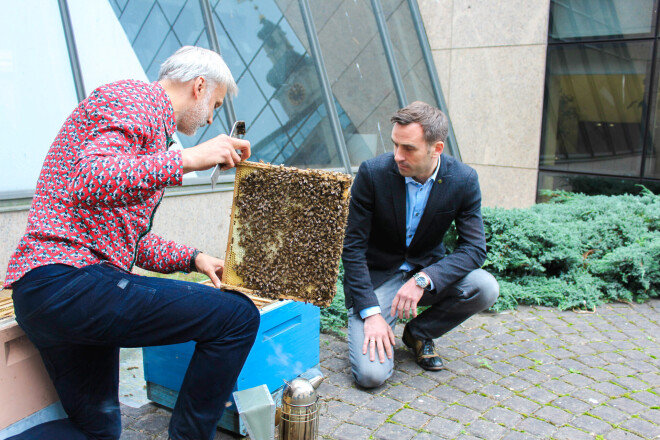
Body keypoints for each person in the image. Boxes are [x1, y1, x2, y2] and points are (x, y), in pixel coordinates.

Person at [4, 46, 260, 440]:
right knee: (237, 317)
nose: (211, 118)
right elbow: (91, 178)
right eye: (216, 105)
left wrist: (194, 258)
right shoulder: (134, 99)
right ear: (199, 87)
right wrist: (189, 159)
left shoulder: (150, 134)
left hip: (51, 290)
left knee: (98, 431)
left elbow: (128, 241)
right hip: (68, 280)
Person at [342, 101, 499, 388]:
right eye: (395, 145)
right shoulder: (372, 174)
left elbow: (474, 248)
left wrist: (425, 279)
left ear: (436, 149)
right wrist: (371, 313)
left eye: (409, 148)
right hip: (379, 281)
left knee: (486, 287)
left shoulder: (463, 180)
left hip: (424, 275)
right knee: (371, 376)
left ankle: (418, 333)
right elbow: (352, 248)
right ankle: (376, 323)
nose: (398, 156)